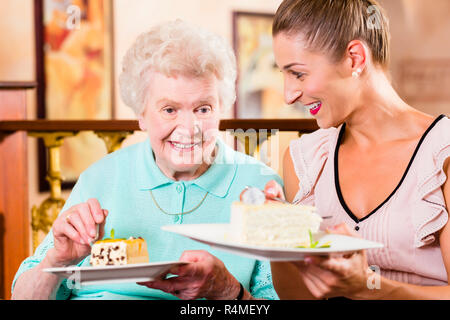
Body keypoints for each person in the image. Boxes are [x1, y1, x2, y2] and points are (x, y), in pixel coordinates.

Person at [11, 20, 282, 300]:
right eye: (169, 109)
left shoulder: (259, 187)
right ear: (141, 113)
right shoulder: (101, 177)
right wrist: (56, 261)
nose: (189, 129)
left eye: (203, 108)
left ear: (222, 108)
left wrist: (230, 293)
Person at [264, 0, 450, 299]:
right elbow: (298, 296)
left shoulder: (442, 154)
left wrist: (371, 288)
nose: (288, 95)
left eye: (298, 73)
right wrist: (279, 238)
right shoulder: (306, 160)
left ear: (354, 58)